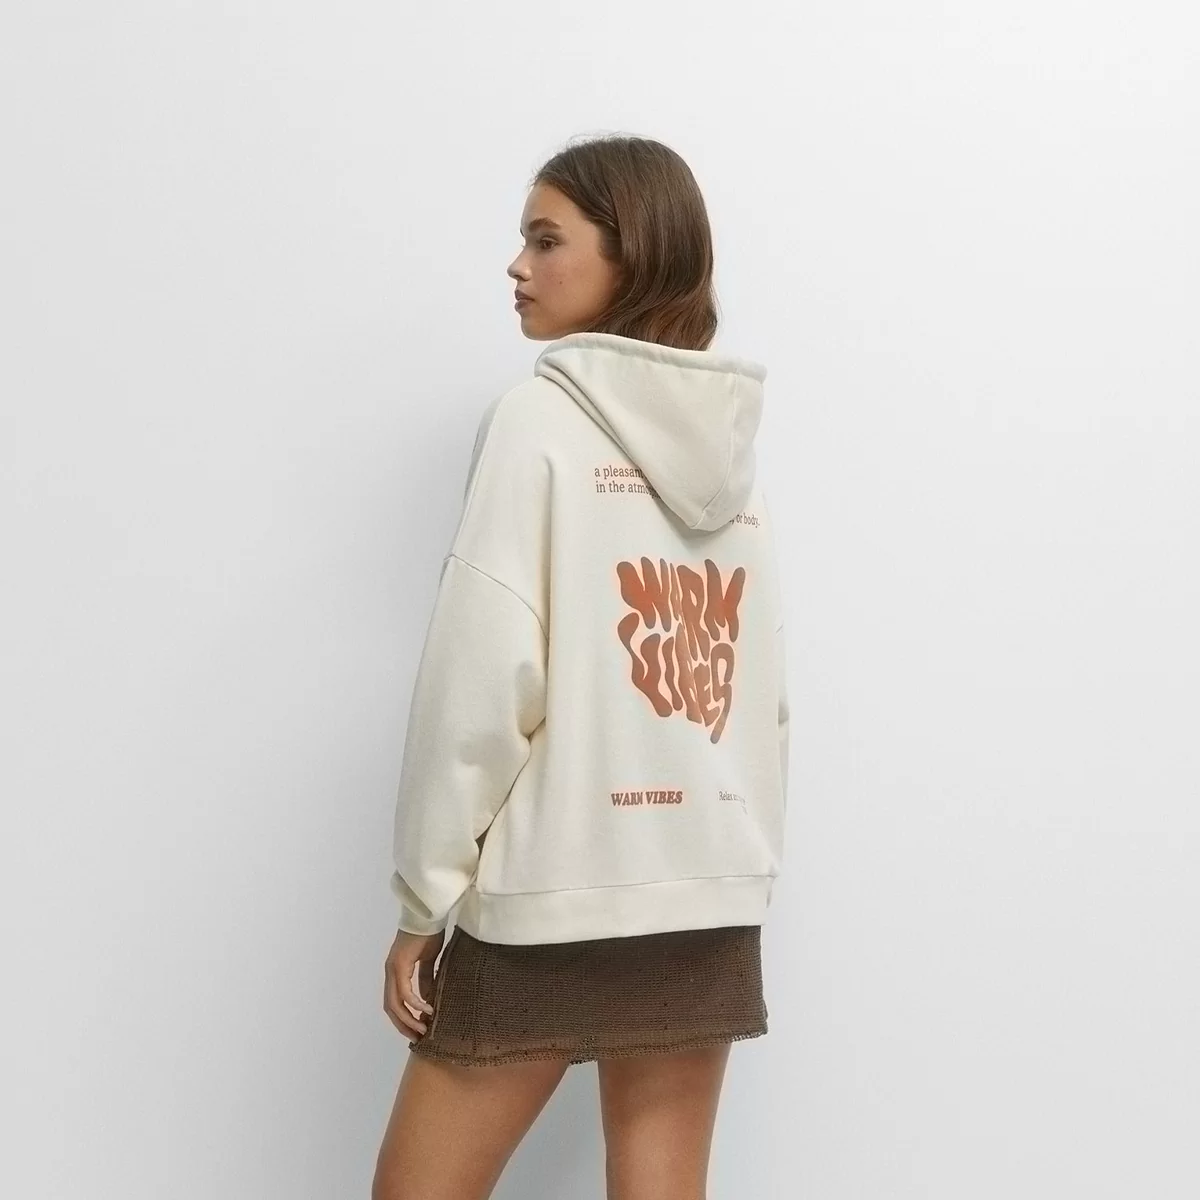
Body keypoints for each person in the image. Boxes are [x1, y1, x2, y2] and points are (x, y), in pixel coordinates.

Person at [372, 133, 790, 1200]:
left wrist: (424, 902)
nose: (517, 265)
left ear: (630, 252)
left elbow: (481, 684)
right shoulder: (730, 448)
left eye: (546, 239)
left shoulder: (538, 421)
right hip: (702, 891)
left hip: (559, 888)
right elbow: (763, 700)